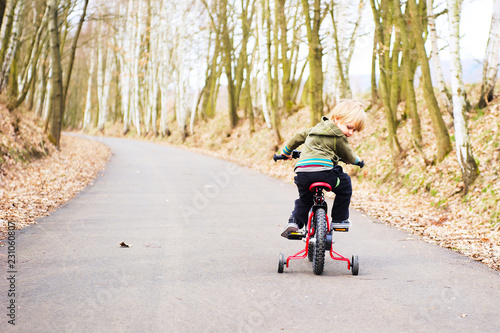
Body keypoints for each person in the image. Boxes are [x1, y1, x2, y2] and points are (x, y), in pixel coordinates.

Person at [279, 99, 366, 238]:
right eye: (349, 127)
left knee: (305, 199)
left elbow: (297, 137)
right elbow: (348, 155)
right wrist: (358, 161)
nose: (351, 133)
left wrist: (286, 152)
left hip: (302, 173)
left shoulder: (314, 129)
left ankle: (294, 222)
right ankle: (339, 219)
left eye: (354, 130)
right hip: (324, 173)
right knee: (344, 185)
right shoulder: (338, 136)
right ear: (337, 119)